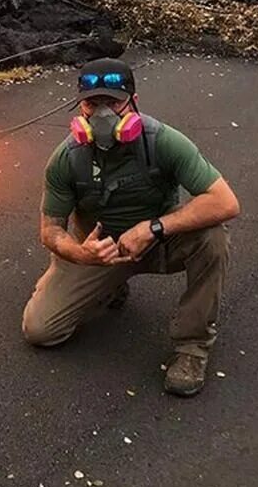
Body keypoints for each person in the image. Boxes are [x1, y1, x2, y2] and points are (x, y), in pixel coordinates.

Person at [21, 57, 240, 396]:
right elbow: (50, 230)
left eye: (113, 102)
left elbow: (225, 202)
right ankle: (109, 285)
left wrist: (153, 228)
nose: (103, 113)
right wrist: (80, 253)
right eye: (94, 103)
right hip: (101, 253)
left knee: (212, 237)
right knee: (40, 331)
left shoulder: (163, 141)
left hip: (160, 242)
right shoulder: (66, 158)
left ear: (133, 103)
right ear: (81, 107)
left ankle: (192, 348)